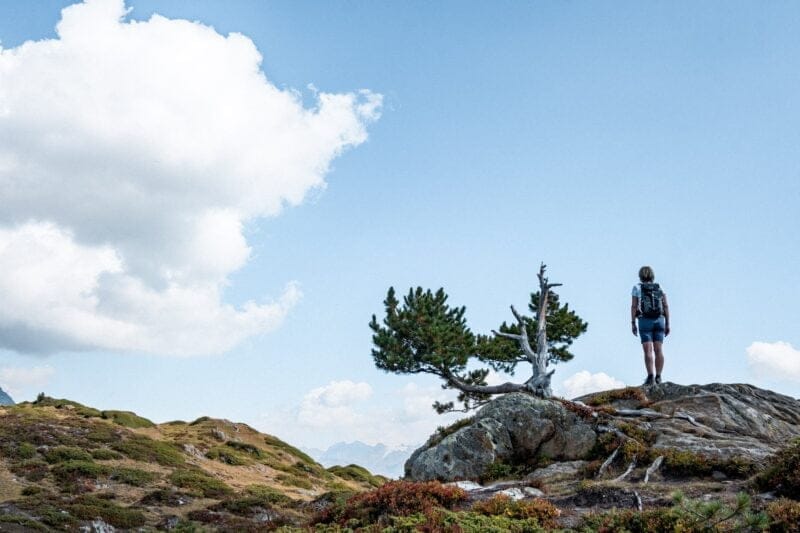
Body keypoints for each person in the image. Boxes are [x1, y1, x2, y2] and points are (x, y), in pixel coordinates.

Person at [631, 266, 670, 386]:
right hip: (659, 320)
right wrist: (668, 323)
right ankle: (659, 377)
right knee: (658, 350)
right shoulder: (659, 287)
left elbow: (634, 306)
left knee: (648, 350)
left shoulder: (637, 288)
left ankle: (650, 377)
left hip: (645, 321)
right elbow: (666, 306)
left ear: (640, 276)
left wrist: (633, 323)